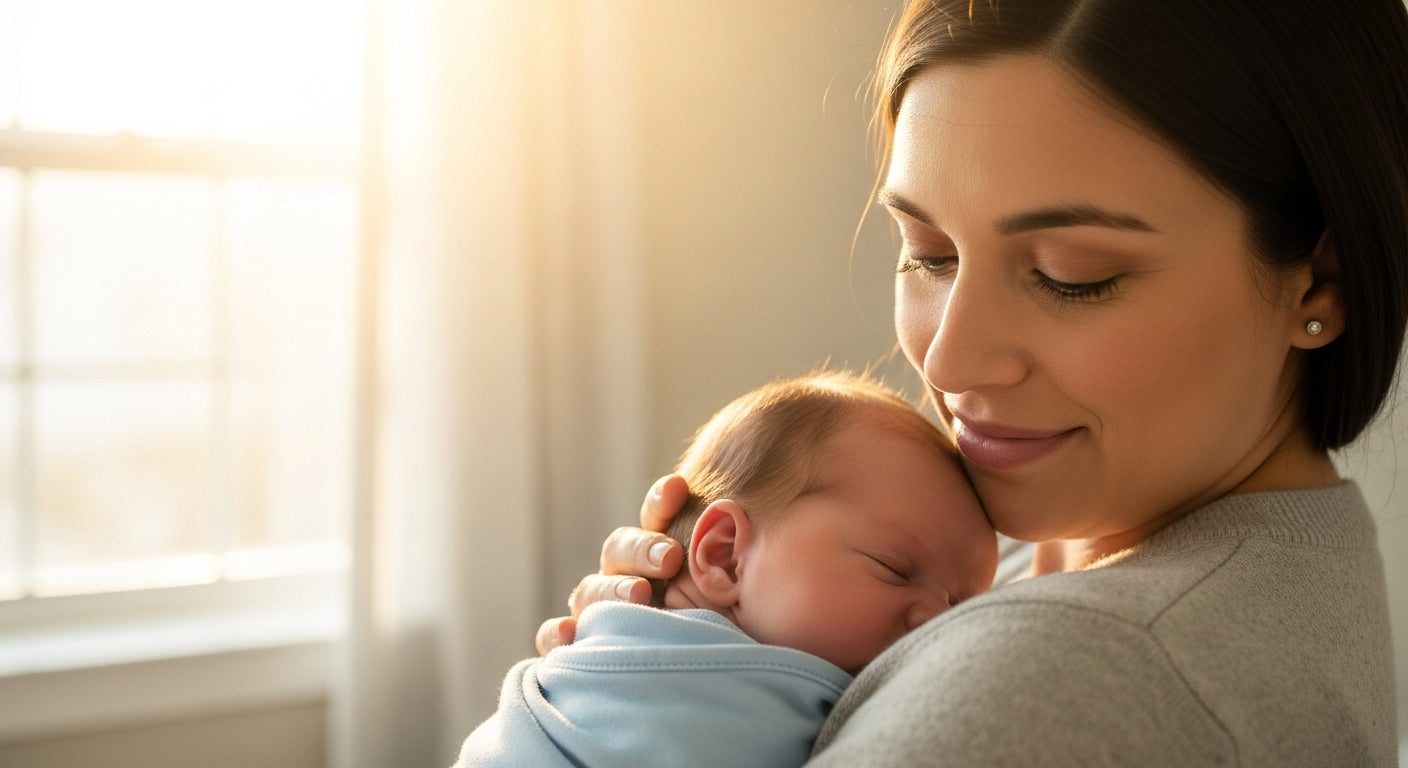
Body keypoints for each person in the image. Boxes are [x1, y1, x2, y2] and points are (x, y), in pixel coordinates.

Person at [538, 1, 1408, 765]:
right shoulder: (1229, 553)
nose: (947, 362)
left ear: (1321, 284)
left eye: (1072, 276)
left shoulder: (1050, 681)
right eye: (928, 254)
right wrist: (672, 668)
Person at [456, 371, 996, 767]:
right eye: (894, 568)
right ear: (725, 556)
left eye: (964, 607)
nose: (939, 621)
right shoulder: (704, 700)